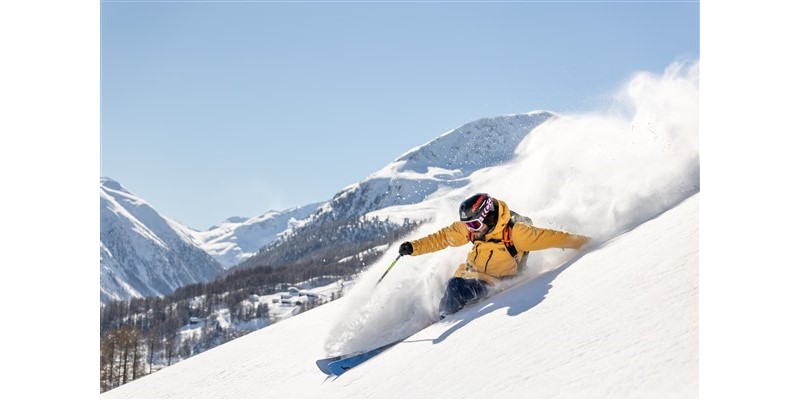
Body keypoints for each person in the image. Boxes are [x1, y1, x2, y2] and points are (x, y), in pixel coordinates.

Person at [399, 193, 589, 319]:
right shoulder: (474, 229)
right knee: (448, 284)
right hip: (468, 276)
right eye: (466, 225)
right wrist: (413, 247)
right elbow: (440, 239)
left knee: (455, 288)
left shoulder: (517, 233)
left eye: (473, 225)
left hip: (494, 283)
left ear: (487, 216)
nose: (469, 230)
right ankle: (444, 313)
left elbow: (555, 238)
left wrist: (590, 242)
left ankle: (445, 318)